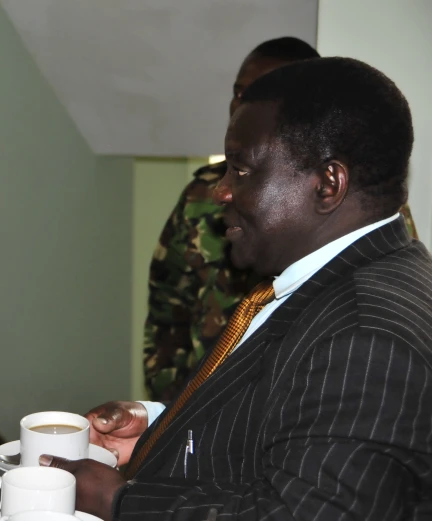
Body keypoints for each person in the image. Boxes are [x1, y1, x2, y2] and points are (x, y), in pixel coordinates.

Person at [43, 58, 432, 520]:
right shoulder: (335, 281)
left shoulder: (366, 337)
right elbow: (294, 424)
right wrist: (163, 429)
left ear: (328, 184)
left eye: (241, 170)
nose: (220, 191)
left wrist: (119, 502)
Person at [143, 37, 418, 401]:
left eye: (265, 95)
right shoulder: (201, 195)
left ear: (328, 185)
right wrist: (173, 415)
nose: (221, 194)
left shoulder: (366, 232)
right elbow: (167, 303)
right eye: (239, 93)